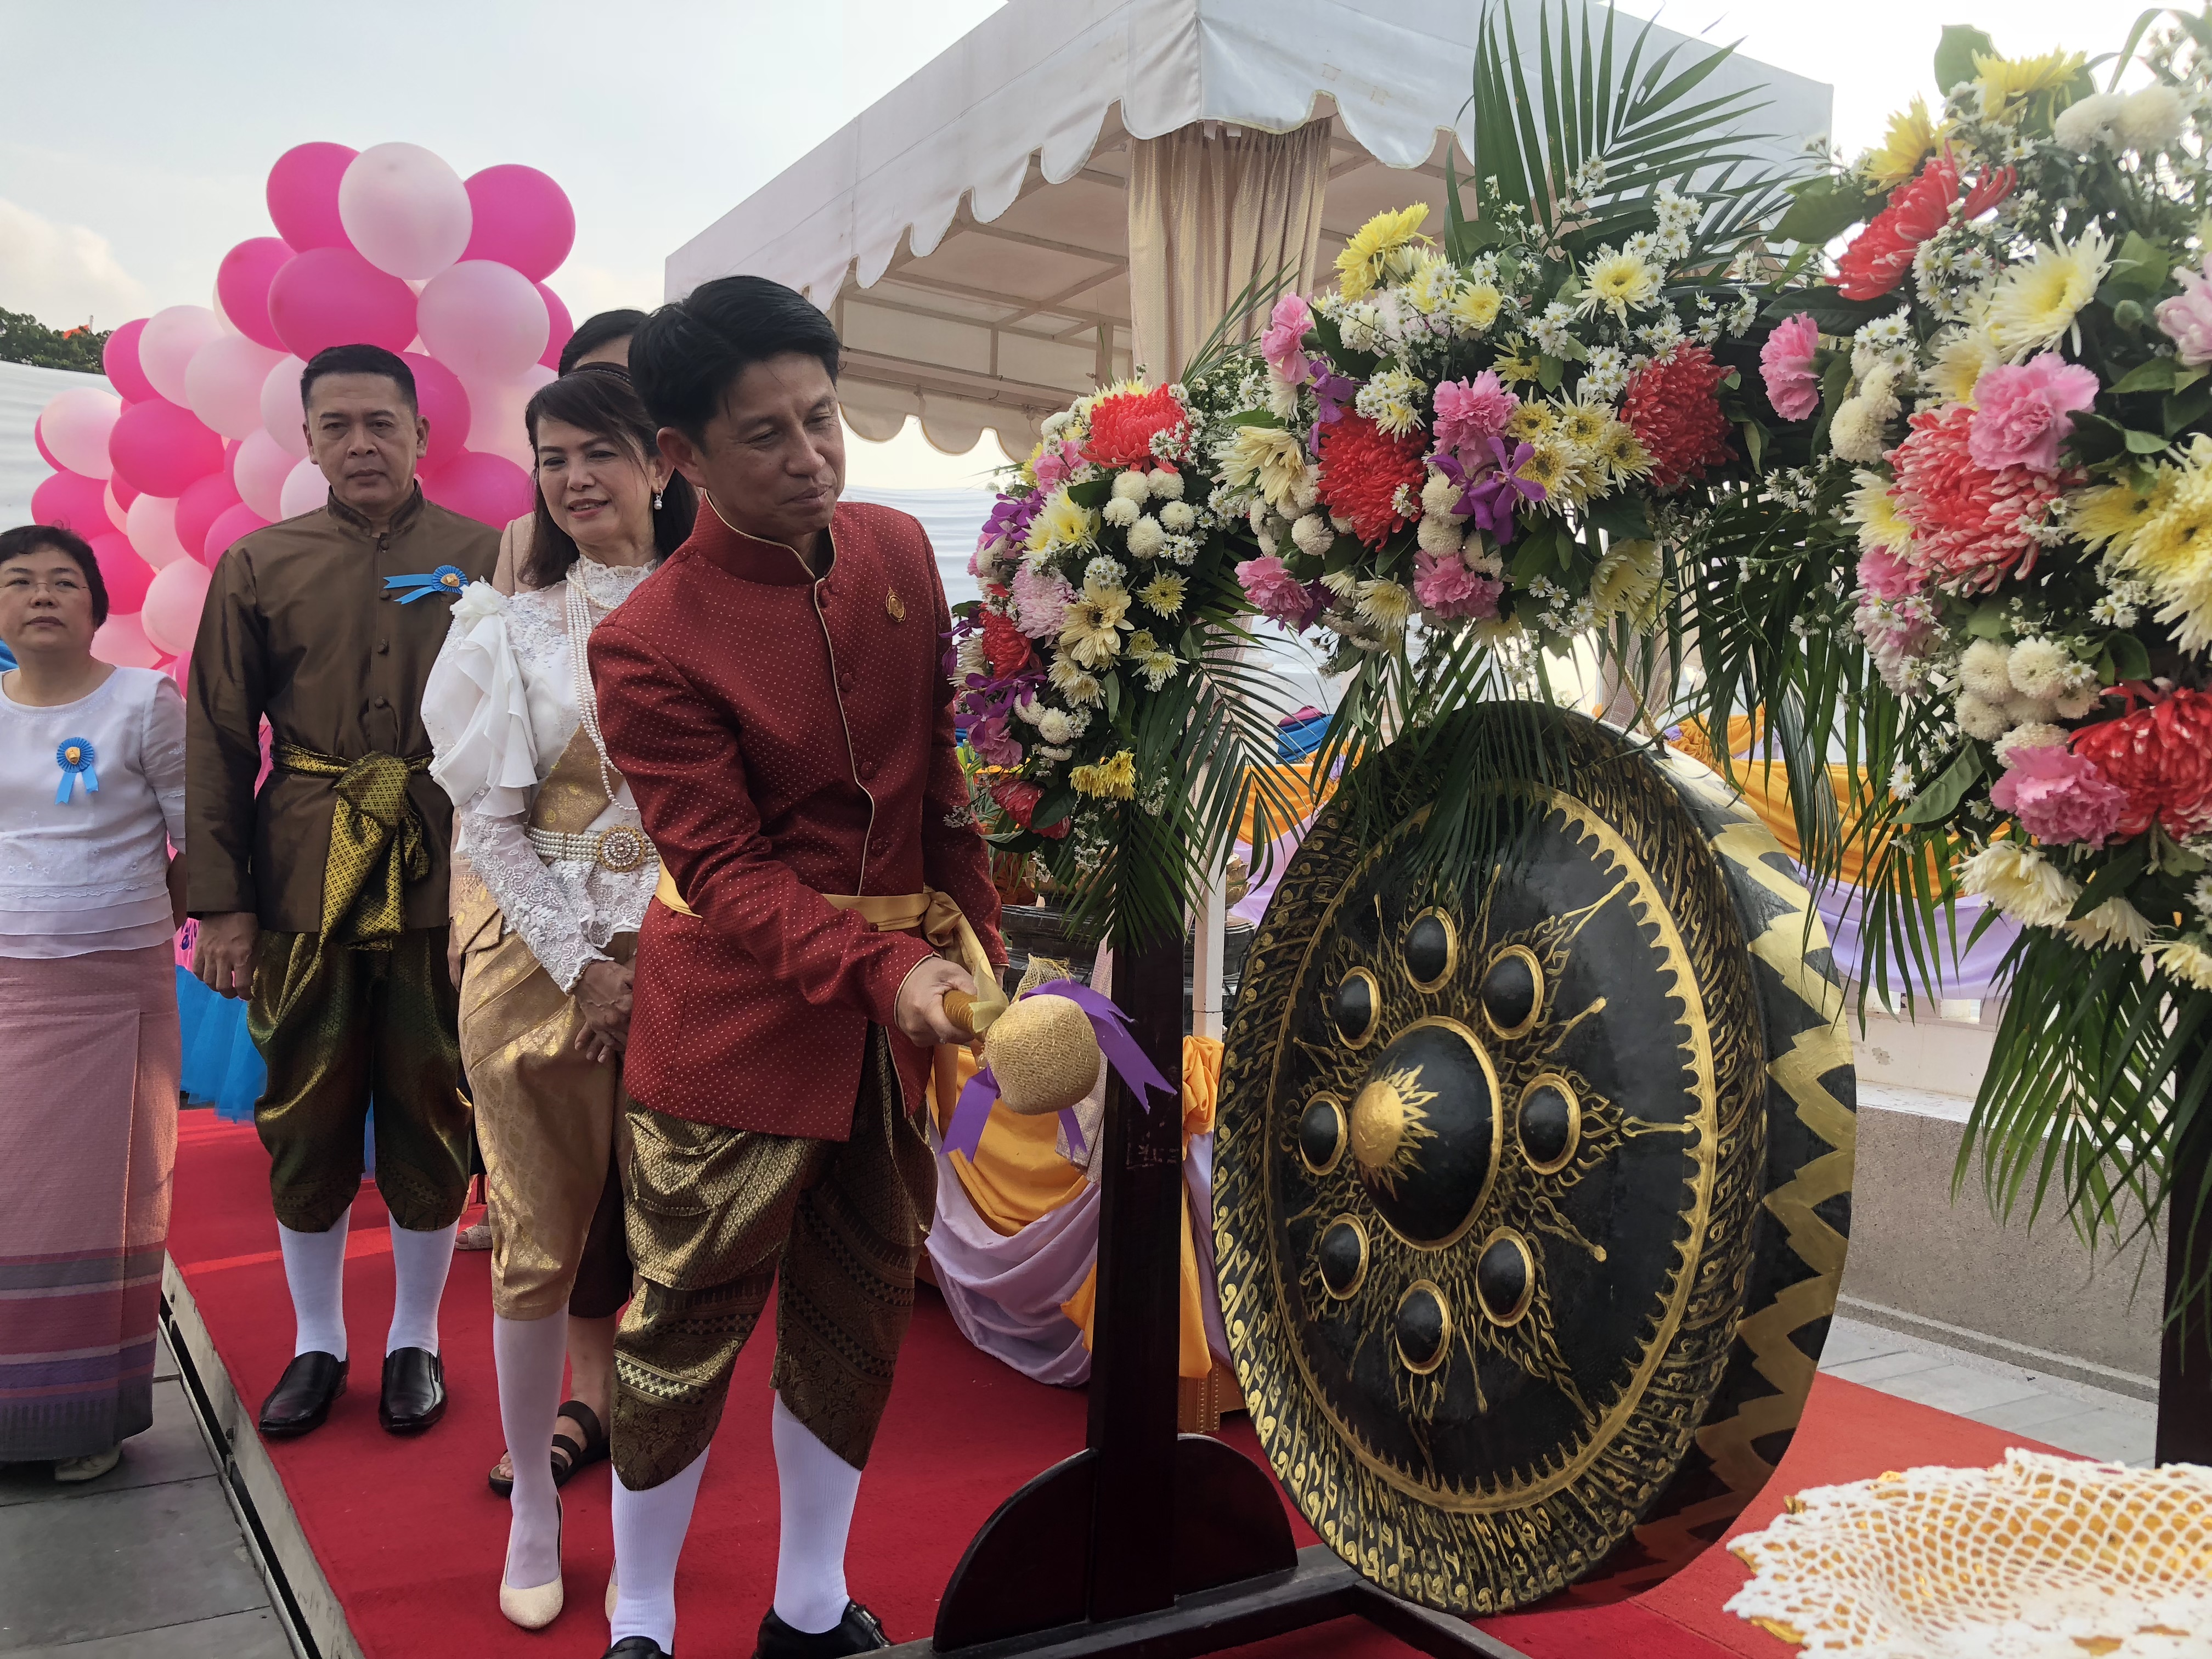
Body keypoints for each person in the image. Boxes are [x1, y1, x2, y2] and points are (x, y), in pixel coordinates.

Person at [586, 276, 1003, 1659]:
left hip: (898, 1018)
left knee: (861, 1300)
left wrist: (982, 950)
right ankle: (641, 1611)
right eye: (764, 436)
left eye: (822, 418)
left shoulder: (898, 549)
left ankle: (808, 1605)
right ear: (682, 457)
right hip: (733, 1020)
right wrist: (893, 973)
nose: (810, 456)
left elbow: (940, 787)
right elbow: (724, 869)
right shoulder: (649, 638)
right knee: (686, 1314)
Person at [422, 368, 696, 1628]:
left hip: (692, 957)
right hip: (536, 967)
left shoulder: (725, 618)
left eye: (601, 451)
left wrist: (647, 956)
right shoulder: (507, 627)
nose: (577, 477)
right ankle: (534, 1499)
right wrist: (587, 965)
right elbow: (489, 823)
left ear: (661, 463)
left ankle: (650, 1514)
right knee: (535, 1245)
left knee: (687, 1253)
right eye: (554, 457)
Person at [187, 343, 498, 1443]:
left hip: (443, 872)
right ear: (309, 440)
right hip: (303, 874)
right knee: (306, 1110)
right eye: (337, 425)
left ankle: (416, 1336)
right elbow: (219, 737)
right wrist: (221, 903)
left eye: (381, 422)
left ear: (421, 433)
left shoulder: (488, 558)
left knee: (434, 1099)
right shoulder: (258, 564)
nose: (361, 443)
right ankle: (317, 1339)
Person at [0, 525, 187, 1483]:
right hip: (9, 979)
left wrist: (155, 919)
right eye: (19, 580)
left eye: (62, 580)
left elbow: (196, 836)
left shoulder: (144, 702)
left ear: (96, 604)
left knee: (104, 1195)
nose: (42, 595)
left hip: (116, 983)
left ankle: (80, 1415)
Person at [489, 309, 646, 597]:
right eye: (590, 389)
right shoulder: (523, 540)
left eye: (628, 387)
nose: (578, 480)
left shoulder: (726, 514)